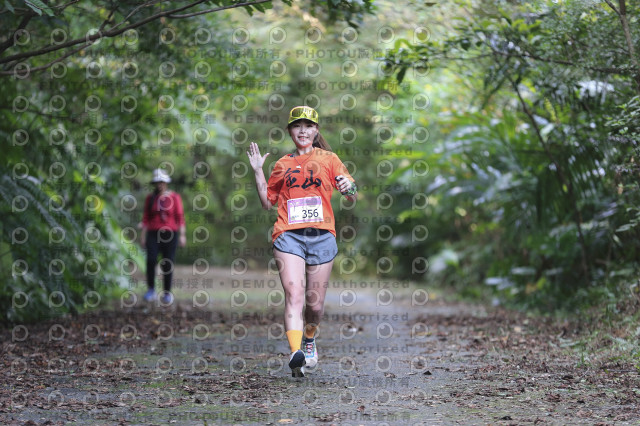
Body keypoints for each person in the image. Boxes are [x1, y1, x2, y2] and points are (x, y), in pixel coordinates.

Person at [247, 106, 357, 377]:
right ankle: (295, 351)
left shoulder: (329, 159)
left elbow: (351, 194)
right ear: (290, 131)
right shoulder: (282, 164)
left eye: (309, 126)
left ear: (316, 130)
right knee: (294, 294)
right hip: (288, 235)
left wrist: (349, 188)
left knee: (314, 305)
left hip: (322, 236)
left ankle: (309, 339)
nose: (303, 130)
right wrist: (258, 170)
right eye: (297, 126)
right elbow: (267, 202)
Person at [140, 168, 186, 305]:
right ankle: (151, 290)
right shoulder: (150, 198)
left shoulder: (174, 197)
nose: (160, 184)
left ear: (166, 183)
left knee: (168, 262)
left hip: (170, 233)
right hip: (153, 233)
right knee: (151, 260)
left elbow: (180, 217)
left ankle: (167, 292)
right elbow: (146, 218)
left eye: (162, 182)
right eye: (157, 182)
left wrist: (182, 235)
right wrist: (143, 236)